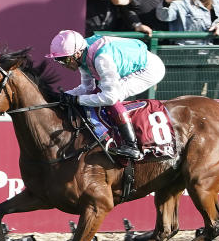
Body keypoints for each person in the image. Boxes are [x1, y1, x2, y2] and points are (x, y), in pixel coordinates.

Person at [46, 29, 166, 160]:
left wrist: (76, 100)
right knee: (98, 93)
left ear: (77, 53)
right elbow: (87, 88)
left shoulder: (101, 60)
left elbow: (110, 97)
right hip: (135, 64)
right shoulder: (82, 55)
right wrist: (64, 95)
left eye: (65, 60)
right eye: (59, 61)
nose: (63, 65)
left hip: (150, 69)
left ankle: (132, 146)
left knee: (112, 97)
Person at [156, 0, 219, 97]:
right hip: (183, 55)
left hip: (205, 55)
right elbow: (164, 16)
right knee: (176, 97)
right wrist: (167, 1)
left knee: (196, 97)